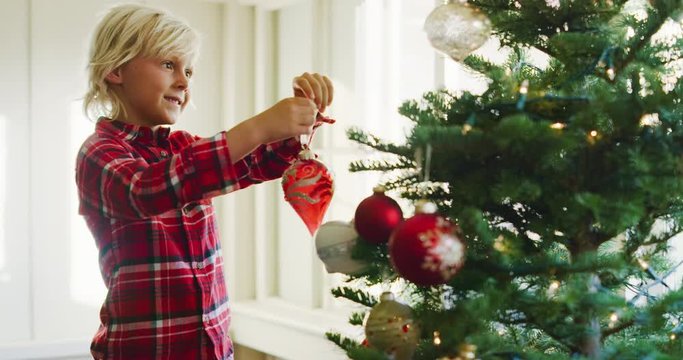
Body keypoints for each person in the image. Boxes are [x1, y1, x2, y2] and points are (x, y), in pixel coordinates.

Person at [75, 4, 334, 359]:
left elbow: (258, 162)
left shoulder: (183, 148)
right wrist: (257, 127)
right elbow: (148, 190)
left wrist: (300, 118)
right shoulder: (99, 153)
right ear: (115, 69)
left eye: (189, 71)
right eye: (169, 64)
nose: (183, 81)